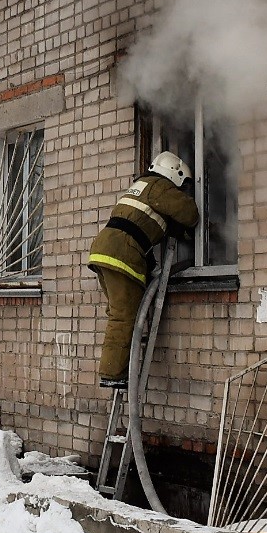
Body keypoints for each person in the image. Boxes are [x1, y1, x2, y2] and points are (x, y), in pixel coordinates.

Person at [87, 151, 199, 389]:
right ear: (175, 173)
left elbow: (143, 225)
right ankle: (113, 374)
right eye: (183, 185)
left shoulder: (141, 187)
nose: (182, 190)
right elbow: (189, 214)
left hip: (104, 249)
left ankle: (116, 366)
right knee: (124, 315)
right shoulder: (159, 186)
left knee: (118, 311)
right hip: (121, 253)